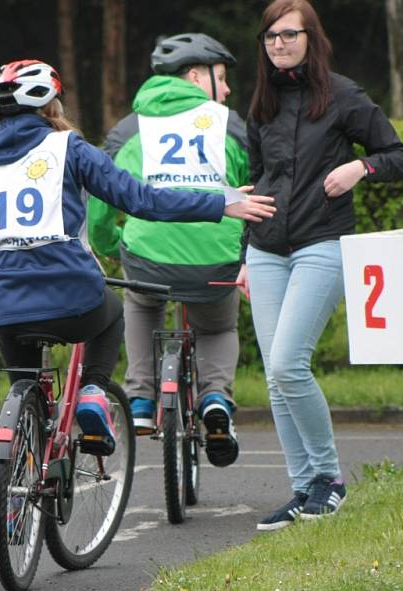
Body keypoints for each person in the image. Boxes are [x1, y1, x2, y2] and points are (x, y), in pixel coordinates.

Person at [0, 59, 274, 462]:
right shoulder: (71, 148)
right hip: (69, 293)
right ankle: (94, 391)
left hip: (3, 299)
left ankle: (13, 501)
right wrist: (221, 203)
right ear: (52, 107)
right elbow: (142, 200)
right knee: (113, 313)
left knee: (26, 389)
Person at [239, 1, 403, 530]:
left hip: (322, 243)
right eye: (270, 37)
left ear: (311, 38)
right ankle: (303, 487)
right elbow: (255, 183)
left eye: (288, 35)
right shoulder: (262, 105)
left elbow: (399, 155)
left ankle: (330, 479)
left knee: (290, 362)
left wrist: (360, 166)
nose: (278, 44)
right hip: (265, 251)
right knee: (275, 376)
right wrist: (243, 256)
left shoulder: (341, 94)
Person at [87, 33, 250, 468]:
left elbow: (102, 201)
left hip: (148, 258)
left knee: (140, 302)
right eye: (222, 77)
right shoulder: (231, 125)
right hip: (214, 257)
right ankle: (215, 399)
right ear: (196, 76)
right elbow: (258, 191)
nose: (228, 89)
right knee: (217, 328)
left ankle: (140, 399)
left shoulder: (128, 128)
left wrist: (108, 246)